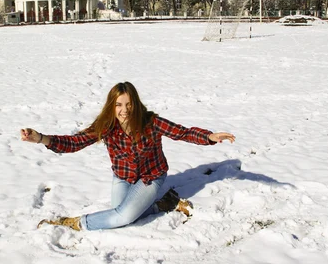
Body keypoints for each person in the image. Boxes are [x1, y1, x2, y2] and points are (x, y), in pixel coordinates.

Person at [20, 82, 235, 231]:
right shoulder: (106, 127)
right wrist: (40, 138)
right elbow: (74, 143)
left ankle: (75, 224)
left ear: (136, 103)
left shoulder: (151, 122)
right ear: (112, 106)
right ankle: (165, 203)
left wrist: (209, 136)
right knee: (120, 214)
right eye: (119, 105)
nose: (124, 110)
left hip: (151, 177)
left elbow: (183, 133)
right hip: (123, 177)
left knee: (122, 217)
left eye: (129, 104)